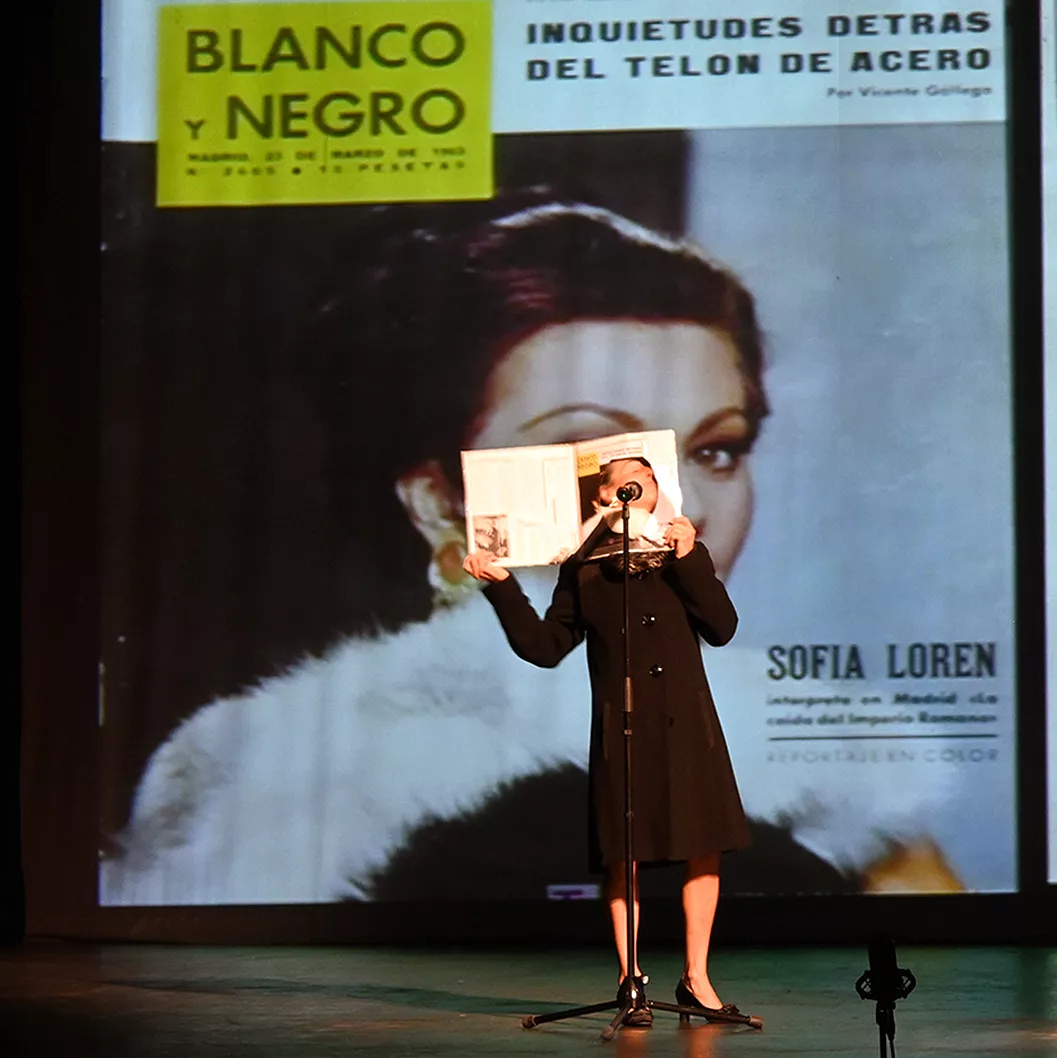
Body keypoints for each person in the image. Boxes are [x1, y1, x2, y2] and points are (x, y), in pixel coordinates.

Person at [100, 196, 850, 905]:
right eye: (591, 448)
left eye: (719, 450)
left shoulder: (831, 774)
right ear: (440, 500)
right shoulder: (273, 771)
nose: (677, 507)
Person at [464, 453, 748, 1019]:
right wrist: (503, 589)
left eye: (640, 480)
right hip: (624, 722)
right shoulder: (585, 567)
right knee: (625, 853)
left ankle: (697, 976)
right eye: (616, 480)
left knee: (702, 847)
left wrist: (687, 557)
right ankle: (631, 979)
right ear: (602, 497)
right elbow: (545, 648)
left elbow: (722, 627)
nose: (629, 487)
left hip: (686, 721)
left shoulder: (680, 553)